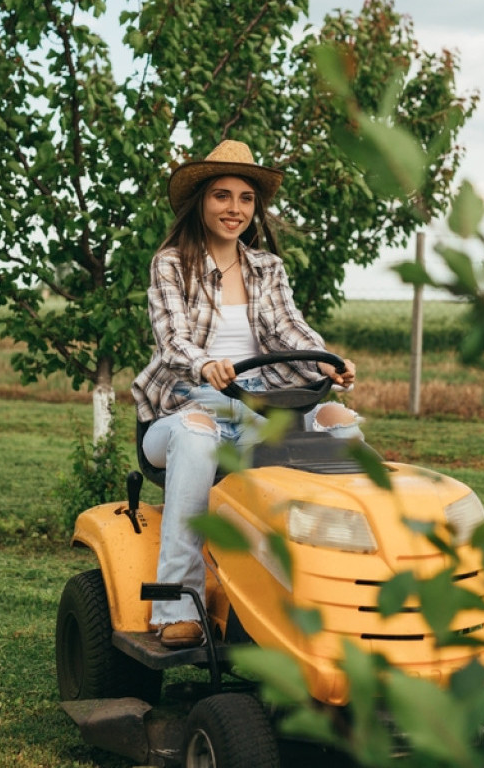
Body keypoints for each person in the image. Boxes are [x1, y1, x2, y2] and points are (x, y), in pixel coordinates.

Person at [132, 139, 362, 649]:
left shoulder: (267, 270)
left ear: (256, 208)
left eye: (245, 198)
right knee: (196, 438)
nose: (234, 209)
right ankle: (176, 606)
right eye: (222, 196)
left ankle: (351, 591)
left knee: (339, 423)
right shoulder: (171, 264)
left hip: (260, 404)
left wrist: (329, 362)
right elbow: (173, 341)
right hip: (185, 407)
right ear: (201, 202)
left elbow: (290, 331)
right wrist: (204, 364)